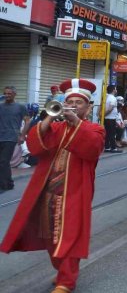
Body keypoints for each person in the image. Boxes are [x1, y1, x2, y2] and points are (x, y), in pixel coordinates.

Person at [1, 79, 105, 293]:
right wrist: (49, 117)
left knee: (71, 234)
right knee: (49, 234)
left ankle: (66, 281)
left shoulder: (96, 128)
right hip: (48, 190)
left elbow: (93, 149)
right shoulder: (55, 127)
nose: (74, 105)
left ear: (88, 107)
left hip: (76, 191)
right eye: (70, 102)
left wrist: (76, 122)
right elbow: (35, 147)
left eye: (79, 102)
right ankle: (61, 271)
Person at [0, 87, 30, 192]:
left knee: (4, 161)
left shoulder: (20, 107)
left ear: (14, 94)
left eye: (9, 93)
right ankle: (7, 182)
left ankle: (6, 184)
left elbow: (27, 121)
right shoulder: (0, 106)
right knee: (3, 162)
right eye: (5, 93)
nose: (7, 95)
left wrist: (22, 135)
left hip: (11, 137)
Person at [103, 85, 122, 153]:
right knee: (112, 133)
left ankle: (107, 147)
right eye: (115, 89)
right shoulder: (113, 98)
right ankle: (113, 148)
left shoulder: (106, 97)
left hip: (107, 118)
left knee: (108, 133)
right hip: (111, 118)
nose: (116, 90)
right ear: (113, 90)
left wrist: (103, 115)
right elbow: (110, 108)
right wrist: (104, 114)